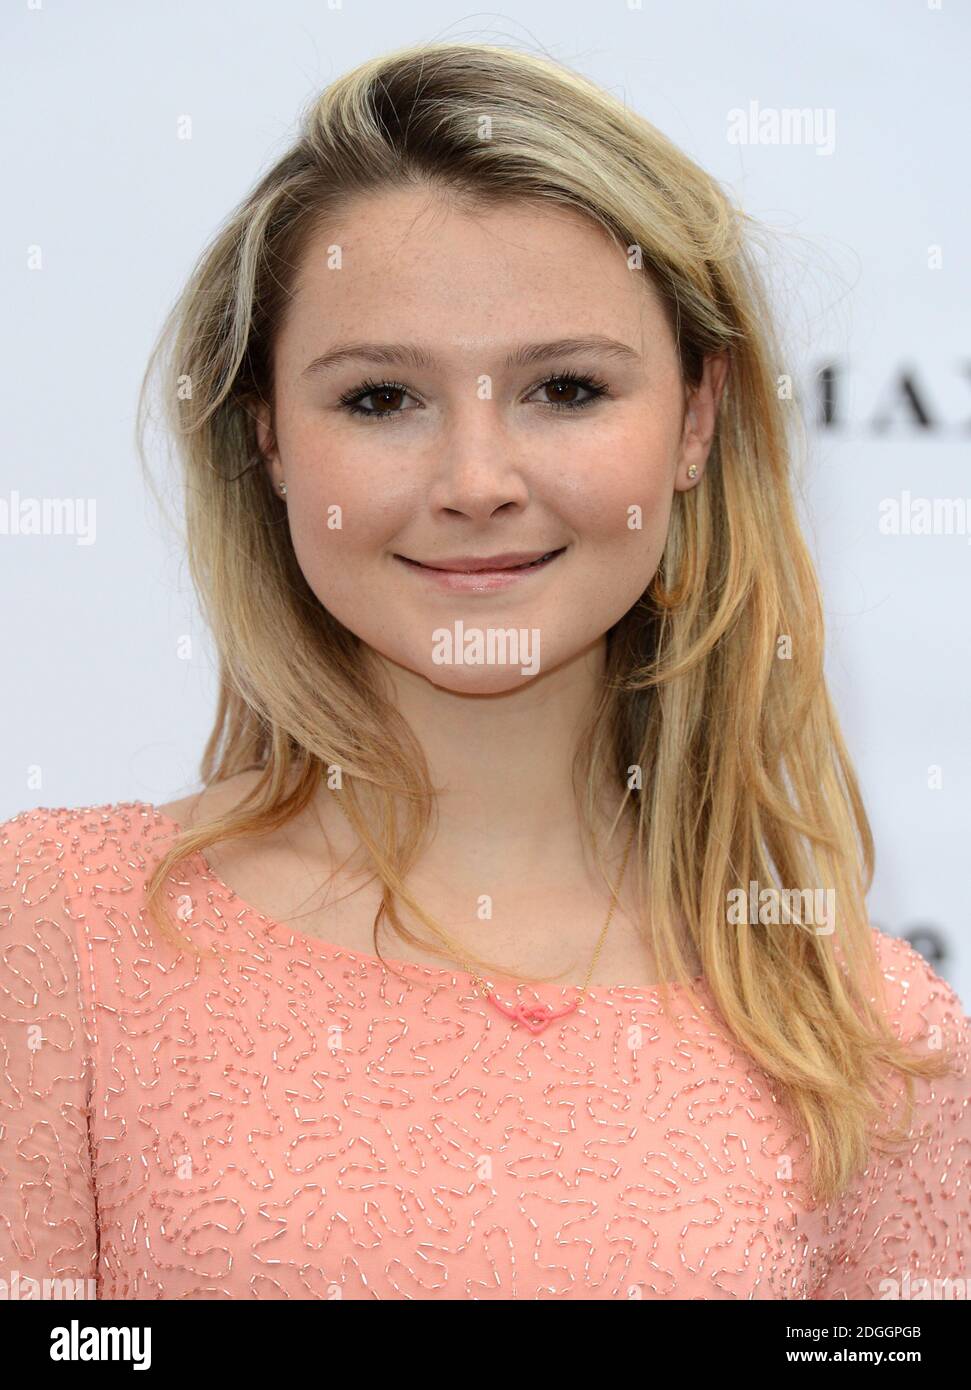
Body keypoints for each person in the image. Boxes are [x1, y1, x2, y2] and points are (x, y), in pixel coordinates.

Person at [1, 40, 968, 1302]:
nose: (475, 481)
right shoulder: (57, 932)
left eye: (563, 388)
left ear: (693, 420)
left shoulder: (874, 1043)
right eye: (381, 398)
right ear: (269, 441)